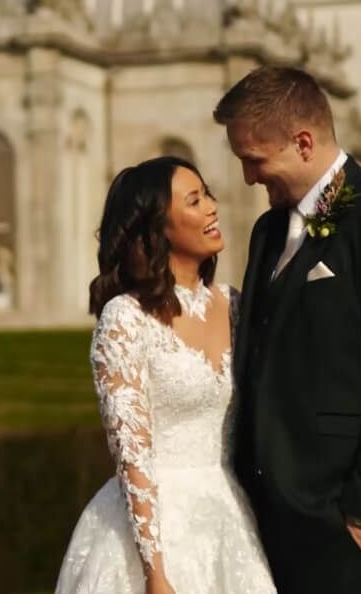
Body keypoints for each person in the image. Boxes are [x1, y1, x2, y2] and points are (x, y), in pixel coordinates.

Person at [213, 66, 361, 594]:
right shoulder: (268, 232)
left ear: (302, 142)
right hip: (275, 521)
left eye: (254, 160)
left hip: (350, 523)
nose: (248, 178)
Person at [55, 157, 276, 594]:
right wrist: (154, 572)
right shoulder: (126, 319)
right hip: (155, 534)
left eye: (208, 194)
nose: (212, 207)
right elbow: (131, 452)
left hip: (231, 517)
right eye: (194, 201)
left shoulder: (234, 305)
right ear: (158, 227)